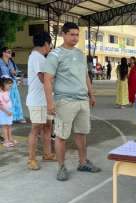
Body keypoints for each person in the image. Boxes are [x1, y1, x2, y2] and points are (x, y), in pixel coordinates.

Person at [43, 22, 101, 181]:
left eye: (77, 35)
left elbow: (85, 76)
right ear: (63, 34)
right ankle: (61, 167)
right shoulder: (55, 55)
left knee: (81, 133)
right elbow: (47, 80)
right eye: (72, 34)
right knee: (62, 136)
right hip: (65, 101)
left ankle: (83, 162)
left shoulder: (80, 54)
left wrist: (91, 94)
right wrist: (50, 104)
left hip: (82, 100)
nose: (75, 37)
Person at [26, 32, 56, 171]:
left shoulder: (41, 58)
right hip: (37, 101)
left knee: (48, 127)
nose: (50, 47)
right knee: (36, 129)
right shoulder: (36, 57)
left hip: (45, 100)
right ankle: (31, 159)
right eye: (50, 44)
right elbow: (43, 78)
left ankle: (47, 154)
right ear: (46, 44)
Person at [0, 47, 25, 123]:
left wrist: (16, 73)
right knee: (5, 101)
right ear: (3, 53)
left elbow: (16, 71)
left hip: (12, 83)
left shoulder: (11, 62)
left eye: (10, 52)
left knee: (16, 100)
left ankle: (18, 117)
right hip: (3, 83)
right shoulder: (0, 62)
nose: (10, 53)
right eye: (8, 52)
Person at [0, 76, 15, 148]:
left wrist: (10, 111)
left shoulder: (7, 92)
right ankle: (6, 141)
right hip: (3, 112)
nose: (10, 87)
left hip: (9, 111)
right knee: (5, 126)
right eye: (9, 85)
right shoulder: (0, 93)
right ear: (3, 84)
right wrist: (6, 111)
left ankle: (10, 139)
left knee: (9, 125)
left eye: (11, 85)